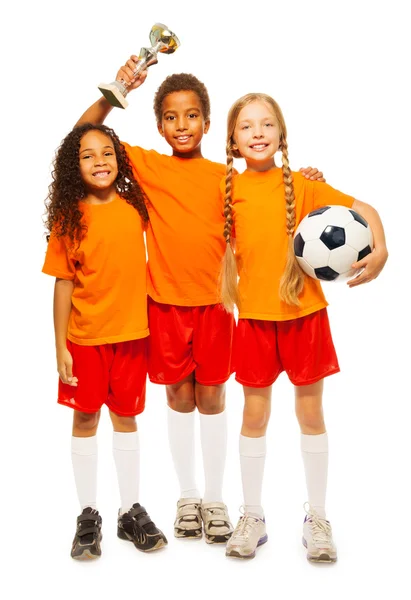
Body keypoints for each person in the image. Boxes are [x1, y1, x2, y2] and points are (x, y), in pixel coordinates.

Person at [76, 64, 325, 544]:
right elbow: (85, 136)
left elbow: (271, 198)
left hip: (216, 308)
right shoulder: (146, 166)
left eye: (193, 115)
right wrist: (118, 90)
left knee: (212, 397)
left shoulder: (227, 180)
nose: (183, 124)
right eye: (172, 117)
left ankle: (215, 499)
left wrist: (309, 179)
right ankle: (187, 496)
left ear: (209, 124)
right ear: (160, 126)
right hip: (164, 307)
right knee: (177, 397)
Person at [220, 93, 388, 561]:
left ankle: (318, 517)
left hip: (304, 317)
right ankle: (252, 514)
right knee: (254, 418)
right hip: (253, 320)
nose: (257, 132)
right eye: (247, 126)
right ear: (232, 140)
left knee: (310, 416)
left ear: (281, 135)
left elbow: (366, 210)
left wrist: (382, 247)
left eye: (267, 124)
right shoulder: (225, 188)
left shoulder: (303, 185)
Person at [42, 123, 167, 560]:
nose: (100, 161)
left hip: (133, 336)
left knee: (127, 420)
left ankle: (129, 511)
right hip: (85, 340)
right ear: (74, 166)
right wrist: (60, 347)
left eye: (107, 153)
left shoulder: (137, 208)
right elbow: (62, 285)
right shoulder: (70, 217)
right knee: (85, 422)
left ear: (119, 159)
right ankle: (88, 514)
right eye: (88, 155)